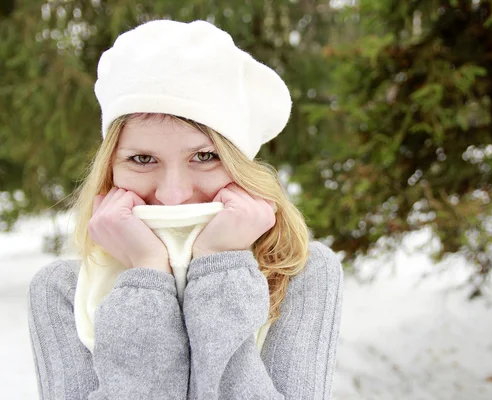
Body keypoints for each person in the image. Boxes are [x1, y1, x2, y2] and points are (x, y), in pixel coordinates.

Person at [27, 19, 343, 399]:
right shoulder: (63, 291)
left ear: (240, 166)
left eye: (205, 156)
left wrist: (221, 265)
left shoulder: (300, 276)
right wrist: (146, 278)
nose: (173, 195)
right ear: (110, 169)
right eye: (142, 158)